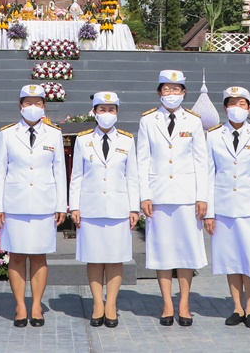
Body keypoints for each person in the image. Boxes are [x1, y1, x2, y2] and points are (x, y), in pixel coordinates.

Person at [136, 69, 209, 326]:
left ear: (184, 93)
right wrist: (144, 195)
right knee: (162, 250)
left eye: (176, 89)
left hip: (187, 196)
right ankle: (167, 303)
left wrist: (202, 197)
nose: (171, 94)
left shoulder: (193, 121)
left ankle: (184, 302)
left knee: (187, 251)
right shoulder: (148, 120)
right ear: (159, 92)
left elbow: (202, 162)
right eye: (166, 89)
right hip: (158, 196)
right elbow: (142, 160)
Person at [0, 84, 67, 327]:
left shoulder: (54, 134)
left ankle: (36, 305)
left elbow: (60, 171)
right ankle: (20, 306)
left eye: (37, 103)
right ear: (20, 106)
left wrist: (61, 205)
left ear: (44, 107)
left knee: (39, 256)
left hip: (44, 203)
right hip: (15, 203)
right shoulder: (7, 133)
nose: (32, 107)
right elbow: (0, 171)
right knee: (16, 256)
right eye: (28, 103)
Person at [68, 91, 139, 328]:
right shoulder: (83, 139)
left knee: (116, 258)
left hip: (118, 207)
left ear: (117, 112)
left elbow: (132, 177)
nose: (106, 114)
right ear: (94, 112)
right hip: (91, 208)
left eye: (111, 110)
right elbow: (76, 176)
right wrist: (74, 206)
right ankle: (98, 303)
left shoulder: (127, 140)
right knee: (95, 258)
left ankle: (111, 305)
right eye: (102, 110)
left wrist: (134, 208)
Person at [205, 87, 250, 328]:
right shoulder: (213, 136)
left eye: (242, 104)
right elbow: (208, 174)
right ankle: (237, 307)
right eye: (232, 103)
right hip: (224, 208)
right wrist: (209, 213)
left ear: (249, 108)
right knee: (231, 259)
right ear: (225, 108)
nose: (237, 108)